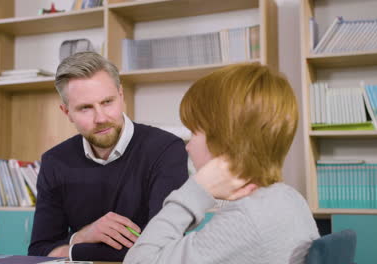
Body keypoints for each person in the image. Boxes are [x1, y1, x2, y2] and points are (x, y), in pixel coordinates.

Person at [124, 63, 320, 264]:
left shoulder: (246, 220)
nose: (188, 147)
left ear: (224, 139)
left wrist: (196, 190)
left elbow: (137, 261)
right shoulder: (289, 198)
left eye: (194, 132)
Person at [28, 52, 189, 261]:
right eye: (85, 108)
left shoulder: (166, 149)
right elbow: (38, 253)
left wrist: (69, 248)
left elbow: (164, 246)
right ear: (66, 112)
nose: (101, 118)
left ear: (121, 96)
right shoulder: (55, 161)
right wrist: (82, 235)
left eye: (107, 102)